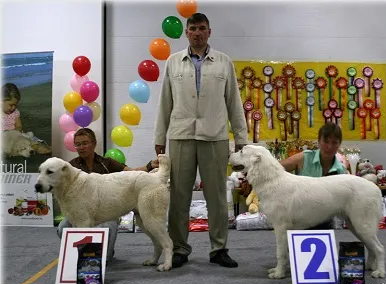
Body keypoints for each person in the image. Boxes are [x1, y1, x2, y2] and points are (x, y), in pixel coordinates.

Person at [153, 13, 248, 268]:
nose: (197, 32)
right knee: (179, 195)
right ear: (186, 33)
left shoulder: (224, 63)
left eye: (202, 28)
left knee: (216, 196)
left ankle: (219, 248)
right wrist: (159, 137)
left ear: (209, 32)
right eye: (193, 28)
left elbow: (234, 102)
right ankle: (180, 248)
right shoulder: (173, 63)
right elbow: (164, 102)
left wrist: (241, 137)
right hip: (181, 135)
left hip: (214, 136)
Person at [57, 128, 159, 262]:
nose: (81, 147)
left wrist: (150, 165)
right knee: (62, 227)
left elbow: (132, 172)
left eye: (85, 143)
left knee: (109, 225)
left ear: (94, 144)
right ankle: (80, 255)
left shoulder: (107, 163)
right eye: (78, 144)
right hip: (81, 212)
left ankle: (106, 256)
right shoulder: (71, 167)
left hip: (107, 209)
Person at [279, 122, 348, 229]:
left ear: (339, 144)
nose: (329, 147)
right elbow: (276, 169)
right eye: (325, 141)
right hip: (299, 217)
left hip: (325, 218)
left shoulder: (341, 169)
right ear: (319, 141)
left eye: (334, 143)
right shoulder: (304, 157)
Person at [2, 83, 52, 154]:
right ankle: (38, 148)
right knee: (23, 144)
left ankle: (43, 146)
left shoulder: (15, 113)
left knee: (29, 138)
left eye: (15, 105)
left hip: (16, 134)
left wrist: (15, 131)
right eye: (11, 105)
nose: (13, 108)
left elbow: (19, 126)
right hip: (6, 139)